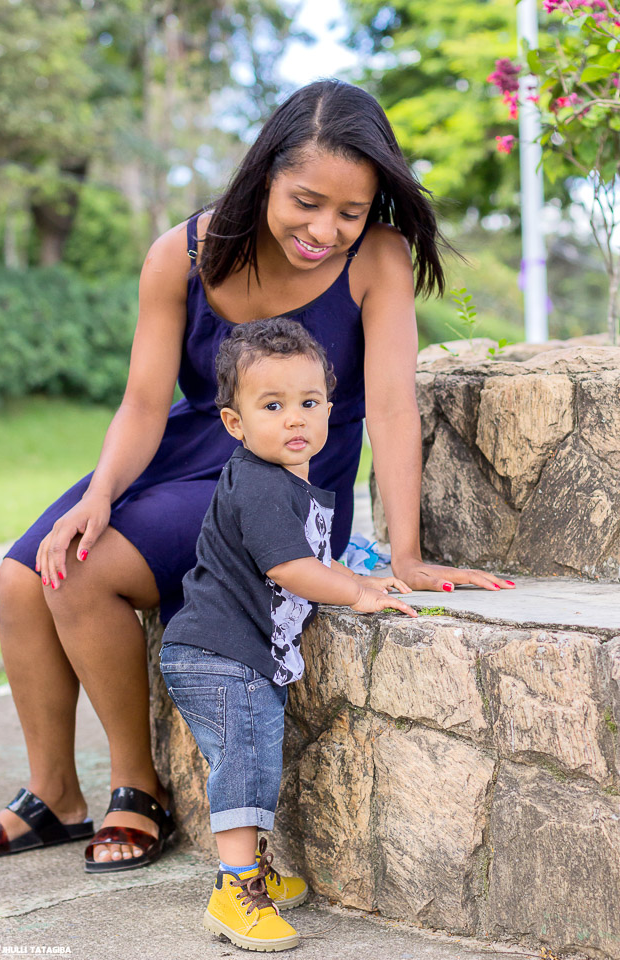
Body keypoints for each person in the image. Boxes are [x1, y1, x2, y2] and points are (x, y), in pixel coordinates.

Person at [0, 78, 515, 870]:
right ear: (265, 174)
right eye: (306, 202)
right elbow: (143, 404)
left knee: (81, 573)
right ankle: (55, 793)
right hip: (190, 448)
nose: (324, 230)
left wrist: (406, 554)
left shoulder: (377, 258)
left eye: (350, 211)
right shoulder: (181, 254)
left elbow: (394, 408)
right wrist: (98, 495)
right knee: (22, 577)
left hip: (283, 481)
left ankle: (137, 790)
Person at [160, 316, 417, 952]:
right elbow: (290, 569)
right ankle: (234, 889)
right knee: (244, 765)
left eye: (308, 402)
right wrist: (355, 594)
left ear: (330, 408)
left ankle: (251, 873)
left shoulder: (284, 480)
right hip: (222, 652)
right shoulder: (261, 485)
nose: (294, 418)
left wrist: (361, 577)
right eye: (272, 406)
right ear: (235, 423)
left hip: (230, 650)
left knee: (251, 759)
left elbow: (313, 558)